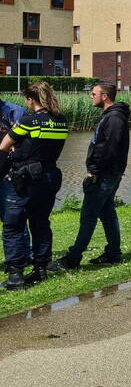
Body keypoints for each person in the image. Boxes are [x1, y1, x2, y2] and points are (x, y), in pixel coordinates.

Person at [50, 83, 130, 271]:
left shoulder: (115, 118)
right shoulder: (111, 116)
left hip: (103, 175)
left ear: (105, 96)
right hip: (108, 174)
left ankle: (73, 259)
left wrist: (94, 170)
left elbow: (111, 148)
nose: (90, 96)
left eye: (93, 93)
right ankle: (113, 254)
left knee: (88, 216)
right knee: (107, 213)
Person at [0, 83, 69, 290]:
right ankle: (40, 269)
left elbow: (4, 145)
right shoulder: (61, 121)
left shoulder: (28, 121)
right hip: (49, 178)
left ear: (31, 100)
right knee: (40, 224)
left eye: (27, 100)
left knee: (13, 226)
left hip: (26, 179)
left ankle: (15, 276)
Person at [0, 96, 27, 247]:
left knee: (14, 219)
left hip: (9, 175)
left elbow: (25, 143)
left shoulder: (15, 112)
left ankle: (25, 253)